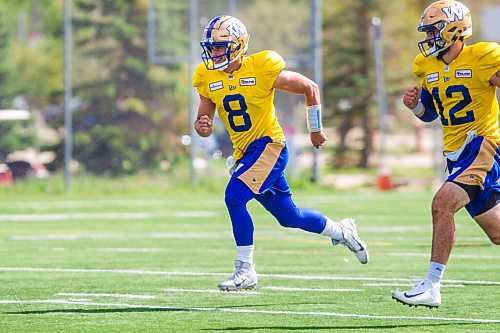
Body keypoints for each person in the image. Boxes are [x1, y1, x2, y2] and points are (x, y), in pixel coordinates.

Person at [192, 15, 369, 291]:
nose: (213, 52)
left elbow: (309, 87)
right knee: (290, 217)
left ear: (238, 46)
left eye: (219, 47)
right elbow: (203, 124)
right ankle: (342, 231)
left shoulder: (261, 67)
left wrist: (315, 129)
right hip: (245, 153)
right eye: (211, 47)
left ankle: (245, 269)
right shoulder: (206, 76)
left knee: (234, 197)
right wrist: (202, 126)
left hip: (269, 145)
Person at [392, 0, 500, 308]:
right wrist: (414, 105)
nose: (427, 38)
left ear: (453, 30)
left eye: (432, 31)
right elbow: (430, 114)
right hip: (456, 155)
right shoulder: (426, 65)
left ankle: (431, 284)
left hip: (483, 146)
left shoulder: (482, 56)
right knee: (497, 233)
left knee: (442, 205)